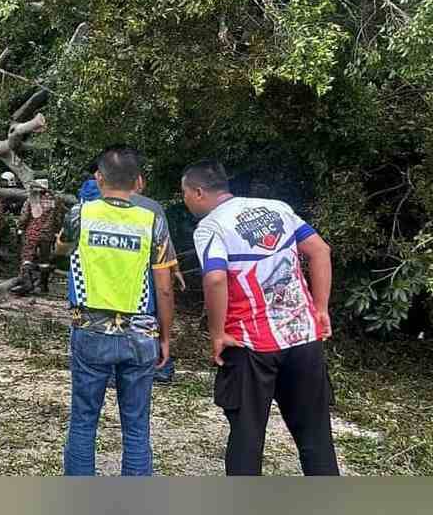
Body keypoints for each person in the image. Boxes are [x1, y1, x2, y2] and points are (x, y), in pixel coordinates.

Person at [182, 159, 339, 476]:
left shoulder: (212, 226)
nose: (184, 200)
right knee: (316, 437)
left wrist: (217, 333)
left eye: (184, 193)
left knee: (247, 439)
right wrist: (320, 308)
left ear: (198, 192)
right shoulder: (278, 208)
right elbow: (320, 250)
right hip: (302, 337)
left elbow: (215, 278)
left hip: (249, 345)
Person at [57, 147, 176, 476]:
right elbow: (165, 287)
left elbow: (61, 248)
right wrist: (165, 338)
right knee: (137, 427)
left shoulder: (80, 214)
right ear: (138, 181)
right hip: (141, 335)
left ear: (99, 178)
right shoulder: (152, 219)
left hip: (90, 332)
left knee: (83, 422)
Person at [17, 179, 61, 295]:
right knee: (45, 261)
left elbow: (24, 216)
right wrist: (56, 231)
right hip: (48, 234)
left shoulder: (32, 199)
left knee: (27, 257)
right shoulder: (55, 200)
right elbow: (58, 218)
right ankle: (43, 285)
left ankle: (27, 283)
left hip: (32, 233)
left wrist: (20, 228)